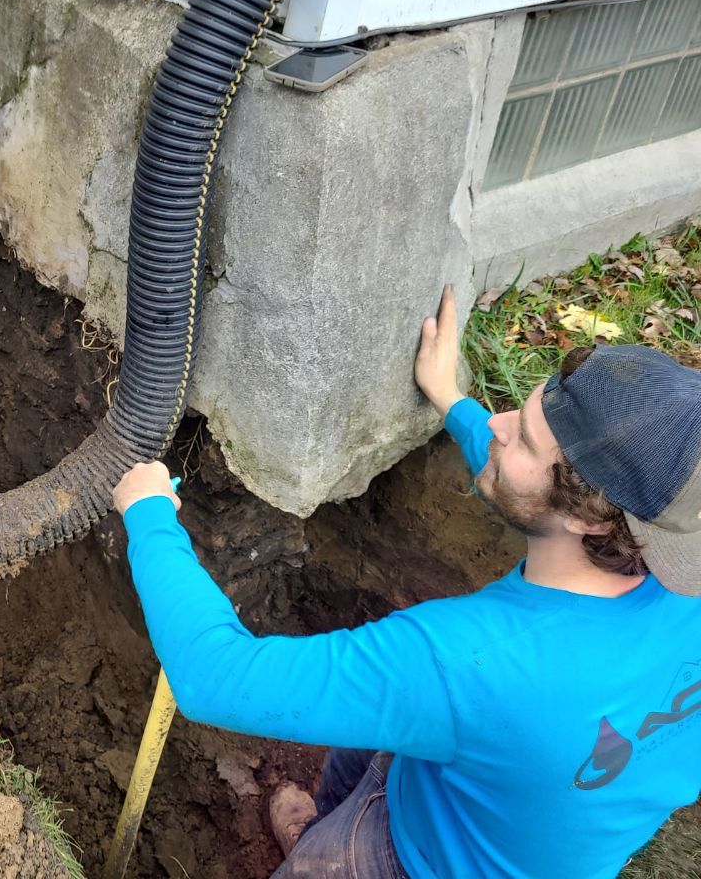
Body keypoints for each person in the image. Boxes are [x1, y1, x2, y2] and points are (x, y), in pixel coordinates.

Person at [111, 285, 701, 879]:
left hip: (407, 862)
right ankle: (323, 821)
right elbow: (537, 492)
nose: (497, 425)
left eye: (521, 437)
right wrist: (452, 402)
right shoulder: (659, 554)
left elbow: (214, 678)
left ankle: (328, 845)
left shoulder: (466, 662)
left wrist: (150, 515)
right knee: (385, 734)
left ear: (590, 517)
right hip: (522, 825)